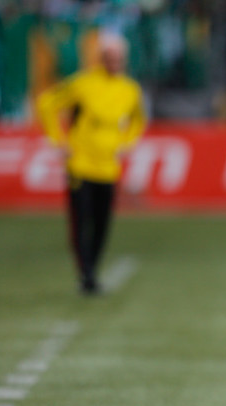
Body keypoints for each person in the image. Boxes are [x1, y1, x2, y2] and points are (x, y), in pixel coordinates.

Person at [36, 31, 147, 294]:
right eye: (110, 58)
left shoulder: (130, 90)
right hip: (80, 165)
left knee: (102, 223)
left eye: (119, 59)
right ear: (101, 58)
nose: (114, 64)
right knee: (80, 221)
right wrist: (57, 139)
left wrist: (127, 142)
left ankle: (91, 270)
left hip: (108, 167)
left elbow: (138, 120)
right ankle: (86, 275)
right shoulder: (83, 83)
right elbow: (46, 104)